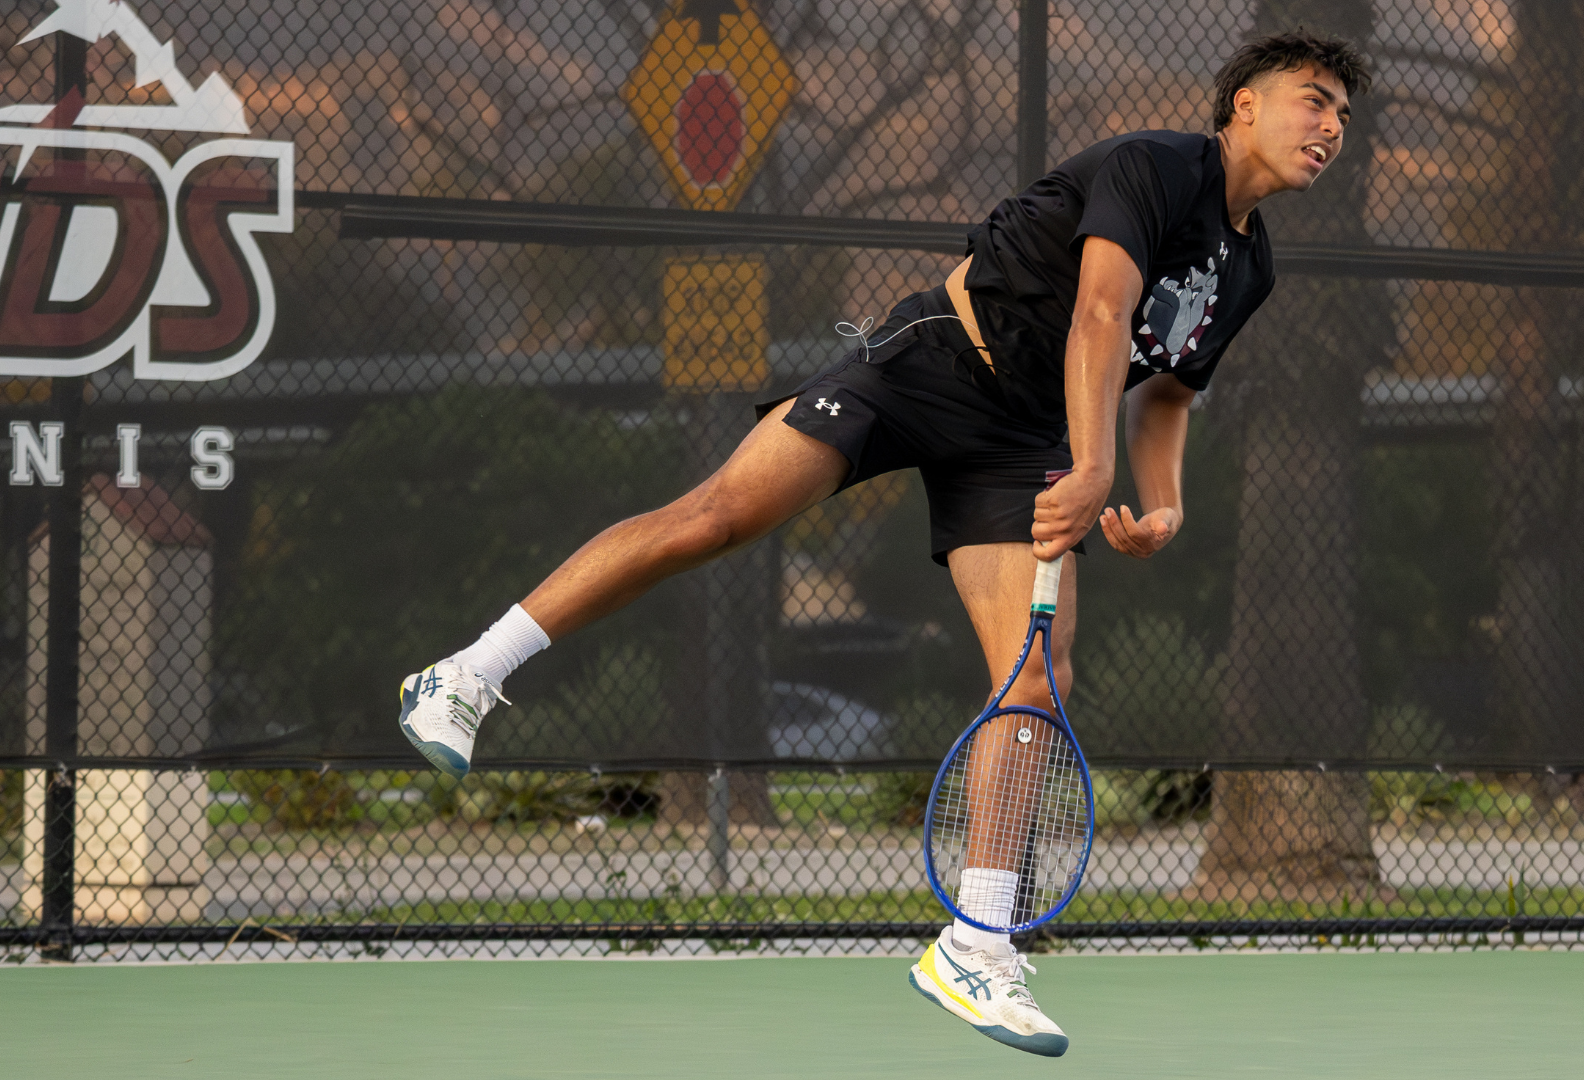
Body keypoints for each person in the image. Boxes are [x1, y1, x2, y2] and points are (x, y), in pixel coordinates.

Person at [395, 30, 1369, 1057]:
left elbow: (1168, 388)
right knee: (716, 519)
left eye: (1345, 116)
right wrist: (1092, 468)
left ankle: (977, 941)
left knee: (1036, 682)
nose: (1332, 127)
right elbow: (1099, 313)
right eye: (1314, 101)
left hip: (1022, 446)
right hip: (930, 363)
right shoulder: (1155, 166)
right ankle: (465, 675)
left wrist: (1160, 499)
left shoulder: (1250, 264)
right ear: (1243, 105)